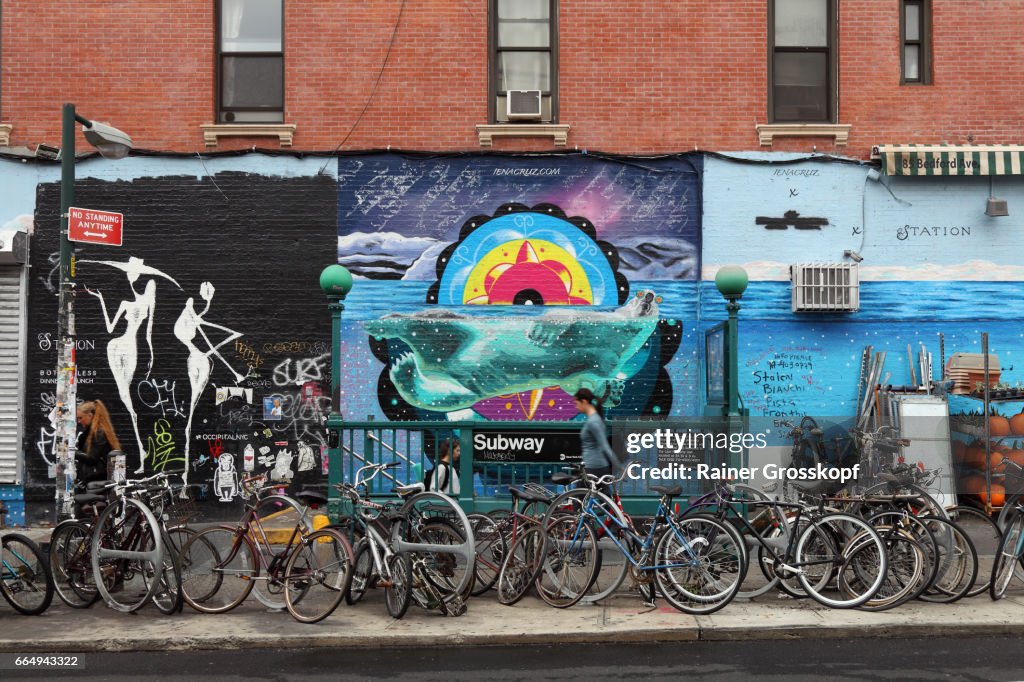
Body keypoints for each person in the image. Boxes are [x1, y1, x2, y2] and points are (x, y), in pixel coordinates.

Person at [574, 388, 622, 487]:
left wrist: (620, 467)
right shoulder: (595, 419)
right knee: (604, 499)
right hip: (596, 467)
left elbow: (604, 446)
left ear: (584, 401)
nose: (576, 407)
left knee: (578, 500)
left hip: (592, 469)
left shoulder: (593, 422)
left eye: (577, 403)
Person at [76, 400, 121, 484]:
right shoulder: (90, 433)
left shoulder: (99, 433)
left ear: (90, 415)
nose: (79, 421)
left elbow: (92, 458)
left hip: (99, 482)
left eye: (80, 418)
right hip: (98, 481)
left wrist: (71, 452)